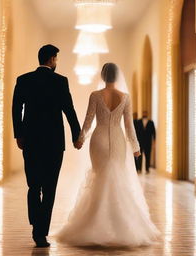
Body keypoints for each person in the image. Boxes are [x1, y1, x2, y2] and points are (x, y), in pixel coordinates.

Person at [56, 63, 160, 247]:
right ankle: (121, 226)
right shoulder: (125, 97)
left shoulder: (95, 95)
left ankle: (94, 224)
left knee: (100, 176)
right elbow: (129, 126)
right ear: (117, 76)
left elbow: (88, 121)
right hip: (118, 139)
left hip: (99, 139)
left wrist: (80, 139)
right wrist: (136, 146)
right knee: (116, 177)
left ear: (103, 76)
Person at [12, 44, 82, 247]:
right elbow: (69, 110)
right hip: (53, 143)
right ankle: (41, 232)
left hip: (31, 141)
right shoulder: (60, 81)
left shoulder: (24, 80)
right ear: (51, 60)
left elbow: (16, 109)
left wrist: (19, 134)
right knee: (49, 188)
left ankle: (36, 221)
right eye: (56, 59)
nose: (56, 62)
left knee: (33, 185)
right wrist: (76, 136)